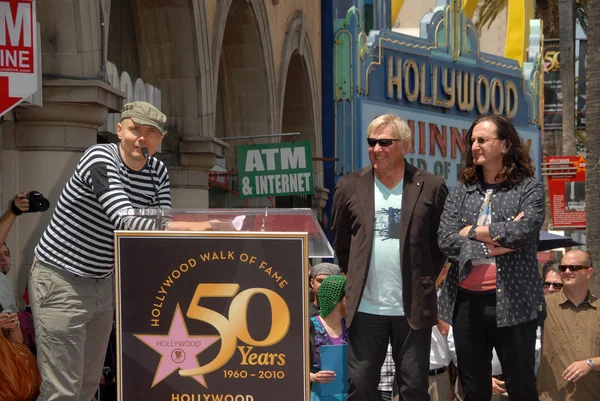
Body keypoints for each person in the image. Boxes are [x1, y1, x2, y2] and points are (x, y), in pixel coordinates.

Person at [29, 101, 211, 401]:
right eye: (134, 129)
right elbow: (124, 219)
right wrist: (191, 227)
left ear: (160, 140)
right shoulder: (99, 158)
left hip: (104, 282)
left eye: (150, 132)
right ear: (119, 130)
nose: (141, 138)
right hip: (61, 280)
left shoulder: (158, 171)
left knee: (88, 386)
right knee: (61, 391)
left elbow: (161, 226)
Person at [331, 113, 448, 401]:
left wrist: (425, 281)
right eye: (372, 142)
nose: (376, 149)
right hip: (366, 308)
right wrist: (353, 277)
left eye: (385, 142)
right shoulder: (349, 186)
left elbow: (441, 244)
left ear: (404, 145)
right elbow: (342, 242)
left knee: (413, 389)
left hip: (411, 308)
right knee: (360, 386)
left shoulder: (431, 186)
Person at [437, 114, 545, 401]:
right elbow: (446, 240)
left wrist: (470, 231)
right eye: (472, 140)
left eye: (482, 140)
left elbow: (523, 231)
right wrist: (493, 245)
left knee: (521, 387)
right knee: (473, 390)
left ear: (506, 144)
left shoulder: (528, 188)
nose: (474, 146)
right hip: (466, 304)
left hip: (515, 301)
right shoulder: (461, 192)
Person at [537, 250, 600, 400]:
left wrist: (590, 363)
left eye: (574, 268)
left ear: (588, 273)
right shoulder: (543, 305)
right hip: (551, 396)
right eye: (563, 268)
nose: (566, 271)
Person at [309, 275, 348, 401]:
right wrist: (312, 377)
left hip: (350, 395)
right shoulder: (310, 327)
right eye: (349, 297)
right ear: (336, 300)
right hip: (320, 396)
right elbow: (294, 365)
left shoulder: (352, 327)